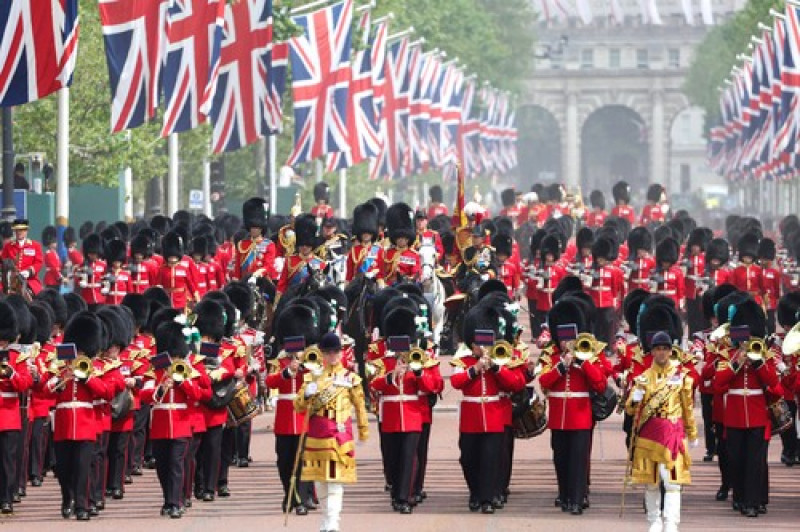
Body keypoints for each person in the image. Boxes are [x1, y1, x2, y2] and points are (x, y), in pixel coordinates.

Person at [537, 298, 607, 516]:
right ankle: (565, 495)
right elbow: (544, 381)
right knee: (561, 459)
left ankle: (577, 499)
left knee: (578, 460)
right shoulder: (552, 356)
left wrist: (582, 362)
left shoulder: (589, 354)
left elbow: (600, 383)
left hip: (580, 416)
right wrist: (561, 366)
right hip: (559, 416)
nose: (567, 342)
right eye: (563, 337)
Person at [294, 331, 369, 532]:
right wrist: (307, 393)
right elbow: (299, 407)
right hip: (317, 436)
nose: (332, 356)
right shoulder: (312, 376)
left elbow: (360, 406)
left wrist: (363, 430)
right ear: (322, 354)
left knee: (335, 482)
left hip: (338, 436)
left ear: (340, 352)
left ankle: (333, 522)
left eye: (335, 351)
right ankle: (325, 520)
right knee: (320, 483)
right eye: (328, 352)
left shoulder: (350, 378)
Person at [626, 331, 698, 532]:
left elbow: (687, 407)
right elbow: (630, 409)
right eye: (658, 349)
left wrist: (692, 433)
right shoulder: (643, 378)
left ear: (670, 351)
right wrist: (636, 397)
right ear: (652, 352)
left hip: (672, 433)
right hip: (649, 434)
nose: (662, 353)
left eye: (665, 349)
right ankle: (654, 520)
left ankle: (671, 522)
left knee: (672, 481)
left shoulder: (681, 376)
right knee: (651, 481)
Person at [140, 319, 203, 518]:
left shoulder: (186, 369)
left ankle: (175, 502)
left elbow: (197, 395)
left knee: (176, 464)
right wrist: (162, 386)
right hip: (159, 424)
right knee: (163, 466)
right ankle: (168, 499)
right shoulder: (154, 369)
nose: (174, 358)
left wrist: (182, 381)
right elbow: (145, 394)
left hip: (181, 423)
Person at [277, 214, 326, 295]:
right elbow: (282, 285)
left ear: (312, 245)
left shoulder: (320, 263)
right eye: (302, 244)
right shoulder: (289, 260)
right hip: (292, 297)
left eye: (307, 245)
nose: (304, 247)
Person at [233, 198, 277, 281]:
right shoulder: (242, 244)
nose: (253, 230)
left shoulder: (269, 245)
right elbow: (238, 268)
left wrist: (257, 274)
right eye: (252, 227)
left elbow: (269, 266)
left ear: (261, 228)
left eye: (256, 227)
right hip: (244, 281)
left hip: (262, 281)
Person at [0, 219, 44, 295]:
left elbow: (38, 262)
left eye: (21, 230)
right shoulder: (8, 246)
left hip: (29, 280)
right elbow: (2, 262)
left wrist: (29, 271)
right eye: (17, 230)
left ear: (26, 230)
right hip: (11, 280)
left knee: (38, 296)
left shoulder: (35, 246)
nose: (19, 232)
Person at [381, 203, 421, 285]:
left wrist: (406, 278)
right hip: (389, 286)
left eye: (404, 238)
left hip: (407, 285)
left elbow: (415, 273)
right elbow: (382, 271)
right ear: (394, 238)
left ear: (408, 239)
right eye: (398, 237)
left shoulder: (414, 255)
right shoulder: (387, 253)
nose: (401, 240)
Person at [345, 203, 384, 283]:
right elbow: (349, 274)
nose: (366, 235)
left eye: (369, 232)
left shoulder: (379, 250)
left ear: (372, 233)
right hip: (357, 284)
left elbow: (382, 272)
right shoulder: (353, 251)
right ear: (359, 233)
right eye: (363, 232)